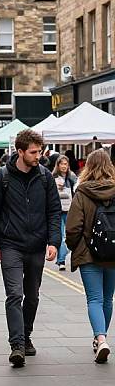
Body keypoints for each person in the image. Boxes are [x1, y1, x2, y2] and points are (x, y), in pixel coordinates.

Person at [0, 129, 61, 368]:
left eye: (40, 151)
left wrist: (54, 242)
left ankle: (26, 336)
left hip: (37, 245)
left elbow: (54, 212)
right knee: (15, 294)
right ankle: (17, 345)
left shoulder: (46, 177)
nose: (39, 155)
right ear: (20, 151)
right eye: (34, 152)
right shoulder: (2, 177)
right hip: (11, 245)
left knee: (33, 296)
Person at [66, 149, 115, 363]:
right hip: (113, 253)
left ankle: (101, 338)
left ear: (89, 167)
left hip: (88, 253)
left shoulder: (82, 192)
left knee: (94, 298)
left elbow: (73, 227)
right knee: (107, 298)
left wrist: (73, 247)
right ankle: (101, 339)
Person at [52, 155, 77, 271]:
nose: (64, 166)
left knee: (72, 234)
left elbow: (77, 190)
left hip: (70, 210)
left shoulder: (71, 177)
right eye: (62, 164)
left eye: (66, 164)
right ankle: (61, 260)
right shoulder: (53, 177)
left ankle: (62, 256)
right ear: (58, 165)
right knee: (61, 236)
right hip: (58, 210)